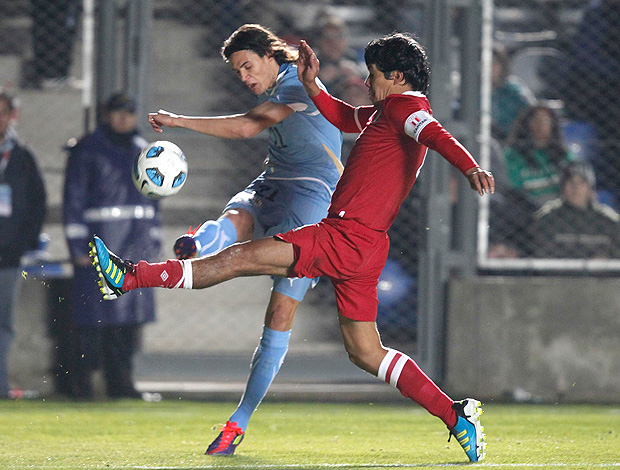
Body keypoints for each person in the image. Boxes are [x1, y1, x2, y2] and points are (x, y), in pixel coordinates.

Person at [91, 33, 494, 462]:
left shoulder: (406, 108)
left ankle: (131, 277)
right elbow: (342, 116)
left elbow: (433, 133)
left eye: (373, 75)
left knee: (238, 259)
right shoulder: (385, 111)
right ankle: (455, 414)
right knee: (366, 352)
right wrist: (314, 83)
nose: (366, 80)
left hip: (340, 236)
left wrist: (469, 166)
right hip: (365, 245)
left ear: (396, 77)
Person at [147, 24, 343, 455]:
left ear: (270, 57)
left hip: (311, 197)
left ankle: (238, 421)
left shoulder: (300, 87)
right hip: (275, 180)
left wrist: (178, 121)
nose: (245, 78)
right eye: (238, 72)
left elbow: (248, 128)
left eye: (248, 66)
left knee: (279, 311)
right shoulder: (277, 85)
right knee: (239, 214)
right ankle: (200, 243)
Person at [63, 92, 161, 399]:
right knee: (94, 321)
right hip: (100, 248)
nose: (123, 118)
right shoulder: (87, 150)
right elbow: (73, 201)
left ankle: (122, 384)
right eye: (117, 112)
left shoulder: (143, 151)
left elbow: (154, 203)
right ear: (106, 115)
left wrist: (153, 242)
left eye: (129, 112)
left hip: (136, 248)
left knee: (128, 322)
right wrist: (78, 247)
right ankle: (83, 385)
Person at [0, 91, 47, 398]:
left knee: (4, 324)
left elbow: (36, 203)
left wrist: (22, 244)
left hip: (8, 256)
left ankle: (1, 386)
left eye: (3, 112)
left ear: (11, 116)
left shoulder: (22, 156)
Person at [530, 161, 620, 259]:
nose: (575, 188)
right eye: (570, 182)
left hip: (599, 273)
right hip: (558, 273)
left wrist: (605, 260)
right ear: (562, 187)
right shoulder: (547, 218)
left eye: (582, 182)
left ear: (590, 188)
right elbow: (541, 254)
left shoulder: (610, 221)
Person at [503, 103, 578, 207]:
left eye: (545, 120)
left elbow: (574, 180)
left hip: (560, 207)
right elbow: (514, 189)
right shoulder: (513, 155)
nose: (540, 124)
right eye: (535, 120)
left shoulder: (563, 154)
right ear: (527, 124)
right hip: (525, 207)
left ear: (553, 124)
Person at [312, 14, 369, 106]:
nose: (333, 43)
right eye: (328, 38)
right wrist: (320, 80)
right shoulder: (313, 60)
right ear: (319, 41)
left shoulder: (351, 57)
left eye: (339, 37)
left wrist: (356, 76)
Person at [491, 43, 535, 144]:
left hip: (512, 142)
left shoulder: (514, 90)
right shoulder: (470, 90)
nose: (489, 68)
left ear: (502, 66)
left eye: (494, 63)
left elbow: (532, 112)